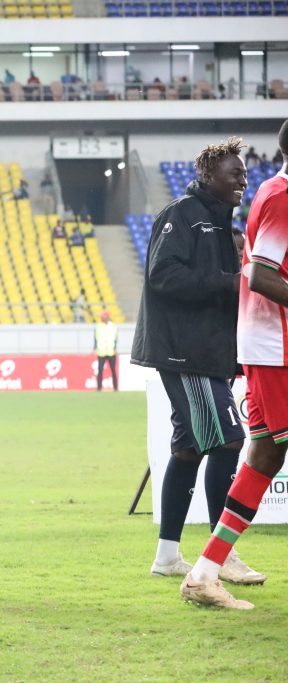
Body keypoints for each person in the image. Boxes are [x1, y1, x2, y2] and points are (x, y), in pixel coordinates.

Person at [131, 136, 265, 586]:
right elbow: (162, 275)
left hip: (208, 353)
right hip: (184, 351)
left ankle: (167, 556)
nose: (242, 181)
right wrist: (229, 283)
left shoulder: (225, 226)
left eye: (245, 174)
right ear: (208, 175)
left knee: (188, 449)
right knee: (228, 441)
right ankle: (220, 553)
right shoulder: (181, 215)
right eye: (234, 174)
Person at [180, 121, 288, 609]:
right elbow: (262, 274)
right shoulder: (283, 196)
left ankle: (204, 573)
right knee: (267, 452)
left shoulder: (273, 191)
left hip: (267, 345)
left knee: (265, 455)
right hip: (275, 347)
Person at [94, 310, 118, 391]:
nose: (101, 318)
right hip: (101, 352)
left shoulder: (113, 327)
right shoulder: (98, 327)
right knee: (100, 371)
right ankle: (99, 388)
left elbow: (115, 339)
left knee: (113, 371)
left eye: (103, 316)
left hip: (111, 352)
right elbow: (96, 338)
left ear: (107, 317)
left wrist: (114, 348)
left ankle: (115, 388)